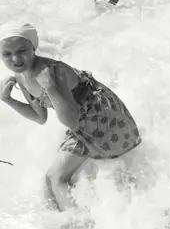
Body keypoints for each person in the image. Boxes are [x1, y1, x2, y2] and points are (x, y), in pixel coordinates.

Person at [0, 23, 142, 211]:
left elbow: (71, 121)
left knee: (55, 177)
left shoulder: (53, 72)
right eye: (6, 54)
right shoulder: (20, 76)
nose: (15, 58)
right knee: (52, 179)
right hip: (81, 120)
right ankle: (67, 218)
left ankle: (74, 226)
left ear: (34, 48)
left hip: (102, 118)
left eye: (22, 50)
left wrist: (51, 88)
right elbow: (39, 117)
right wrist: (7, 99)